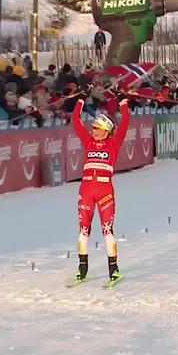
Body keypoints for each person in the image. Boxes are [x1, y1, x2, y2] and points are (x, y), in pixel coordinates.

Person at [70, 91, 130, 286]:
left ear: (106, 130)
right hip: (86, 189)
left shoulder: (113, 143)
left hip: (104, 191)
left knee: (107, 230)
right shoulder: (88, 143)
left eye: (97, 128)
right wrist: (80, 98)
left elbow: (125, 121)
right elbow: (75, 120)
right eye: (93, 127)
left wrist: (122, 103)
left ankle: (113, 270)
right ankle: (82, 269)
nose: (93, 131)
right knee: (83, 230)